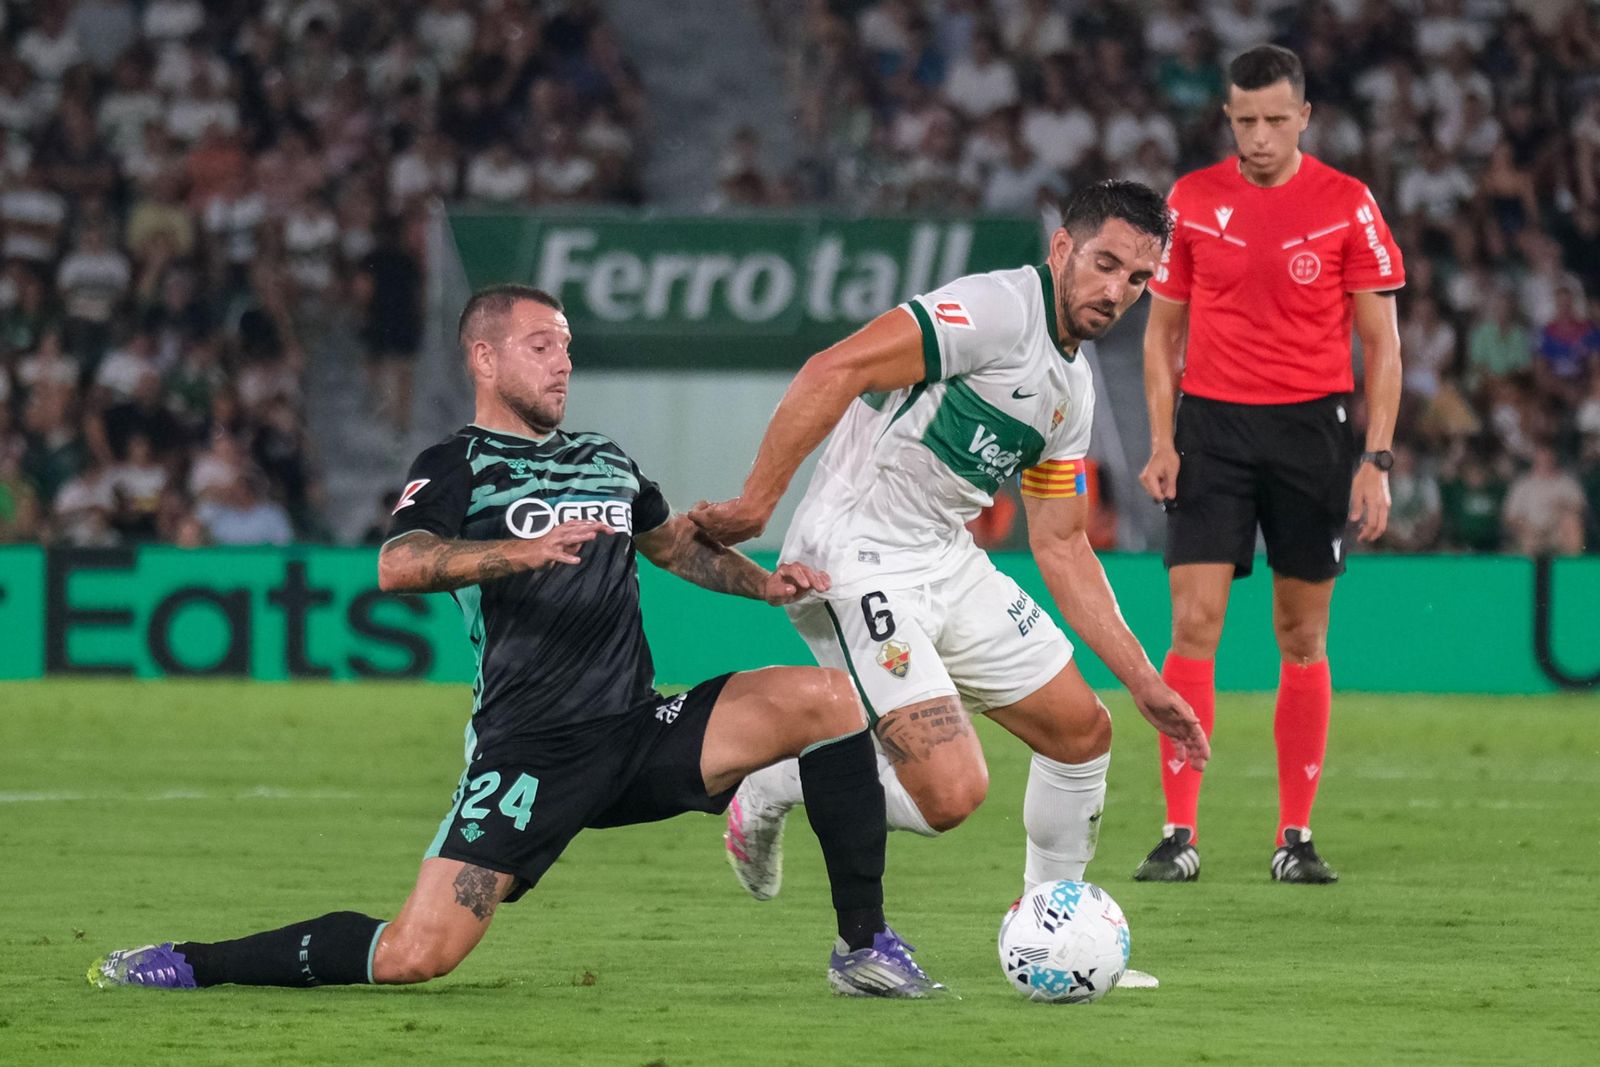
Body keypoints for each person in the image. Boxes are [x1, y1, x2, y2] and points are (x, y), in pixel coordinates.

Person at [88, 285, 941, 998]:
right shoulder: (456, 464)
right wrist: (513, 553)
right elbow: (397, 564)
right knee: (416, 953)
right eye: (541, 346)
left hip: (636, 729)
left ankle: (861, 946)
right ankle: (194, 962)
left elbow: (672, 544)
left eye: (566, 346)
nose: (562, 361)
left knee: (828, 699)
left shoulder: (605, 458)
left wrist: (765, 584)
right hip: (529, 754)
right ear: (485, 359)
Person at [690, 181, 1210, 975]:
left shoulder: (1072, 389)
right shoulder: (995, 311)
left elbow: (1063, 543)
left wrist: (1142, 678)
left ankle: (1055, 937)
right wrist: (757, 503)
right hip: (855, 555)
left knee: (1082, 732)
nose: (1117, 291)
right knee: (952, 796)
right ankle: (773, 781)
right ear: (1062, 249)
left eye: (1138, 278)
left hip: (945, 556)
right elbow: (837, 366)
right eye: (1105, 264)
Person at [1136, 45, 1405, 885]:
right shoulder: (1190, 200)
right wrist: (1162, 440)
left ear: (1304, 118)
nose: (1258, 136)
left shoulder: (1347, 202)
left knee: (1302, 633)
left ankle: (1295, 835)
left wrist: (1376, 458)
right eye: (1245, 120)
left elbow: (1382, 344)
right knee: (1193, 626)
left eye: (1275, 120)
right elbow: (1161, 335)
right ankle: (1179, 832)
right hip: (1210, 429)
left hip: (1311, 433)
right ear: (1228, 116)